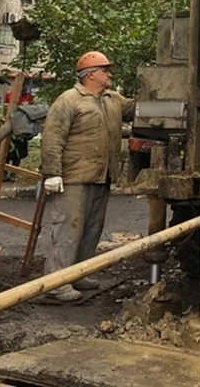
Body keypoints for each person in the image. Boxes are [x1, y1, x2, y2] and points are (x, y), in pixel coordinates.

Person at [40, 51, 135, 302]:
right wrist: (52, 172)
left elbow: (137, 108)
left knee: (91, 230)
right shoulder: (69, 100)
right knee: (67, 231)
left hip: (101, 176)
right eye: (105, 70)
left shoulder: (112, 99)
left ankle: (79, 273)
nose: (110, 74)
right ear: (91, 75)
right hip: (74, 178)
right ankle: (56, 284)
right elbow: (52, 137)